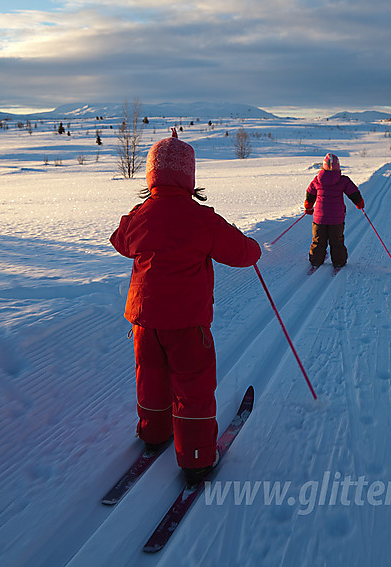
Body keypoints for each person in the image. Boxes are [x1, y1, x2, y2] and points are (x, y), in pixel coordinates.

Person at [110, 128, 261, 486]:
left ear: (151, 176)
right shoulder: (201, 219)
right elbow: (242, 253)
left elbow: (121, 240)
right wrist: (255, 248)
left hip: (145, 322)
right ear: (189, 178)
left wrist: (137, 211)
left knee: (151, 376)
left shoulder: (141, 215)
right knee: (192, 387)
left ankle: (153, 433)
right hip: (187, 324)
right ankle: (195, 459)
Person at [304, 153, 364, 269]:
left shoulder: (317, 179)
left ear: (324, 166)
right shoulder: (343, 180)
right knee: (337, 241)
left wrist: (308, 207)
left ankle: (316, 261)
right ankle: (338, 262)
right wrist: (359, 203)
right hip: (337, 219)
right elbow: (353, 192)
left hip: (319, 218)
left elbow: (310, 194)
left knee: (318, 241)